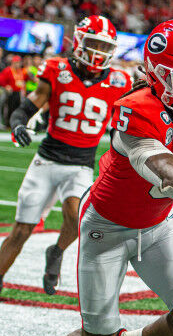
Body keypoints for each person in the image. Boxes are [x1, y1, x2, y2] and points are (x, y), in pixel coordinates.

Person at [42, 19, 173, 336]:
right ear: (159, 77)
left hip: (159, 226)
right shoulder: (135, 108)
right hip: (106, 228)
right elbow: (157, 162)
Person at [0, 15, 131, 296]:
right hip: (46, 161)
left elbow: (127, 121)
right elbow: (30, 105)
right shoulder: (58, 70)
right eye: (94, 43)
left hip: (80, 167)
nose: (99, 51)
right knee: (22, 230)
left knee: (76, 219)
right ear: (79, 41)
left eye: (104, 45)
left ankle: (56, 252)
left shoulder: (120, 80)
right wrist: (19, 123)